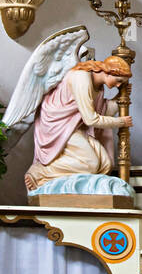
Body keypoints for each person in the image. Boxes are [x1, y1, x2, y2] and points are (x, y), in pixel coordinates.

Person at [24, 56, 132, 195]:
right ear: (108, 71)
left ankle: (78, 189)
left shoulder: (98, 86)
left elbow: (103, 111)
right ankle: (39, 172)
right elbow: (91, 119)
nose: (118, 86)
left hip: (74, 125)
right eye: (118, 81)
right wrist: (121, 122)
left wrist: (119, 99)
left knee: (106, 164)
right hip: (58, 124)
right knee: (91, 163)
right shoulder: (82, 77)